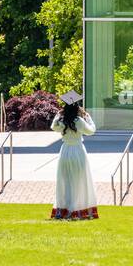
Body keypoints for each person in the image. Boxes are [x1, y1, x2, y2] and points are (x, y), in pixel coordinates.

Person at [50, 91, 98, 220]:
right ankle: (76, 209)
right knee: (79, 181)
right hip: (77, 151)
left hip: (65, 151)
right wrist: (88, 118)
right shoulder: (79, 120)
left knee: (65, 181)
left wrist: (58, 114)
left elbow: (53, 126)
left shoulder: (62, 120)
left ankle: (65, 210)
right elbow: (91, 131)